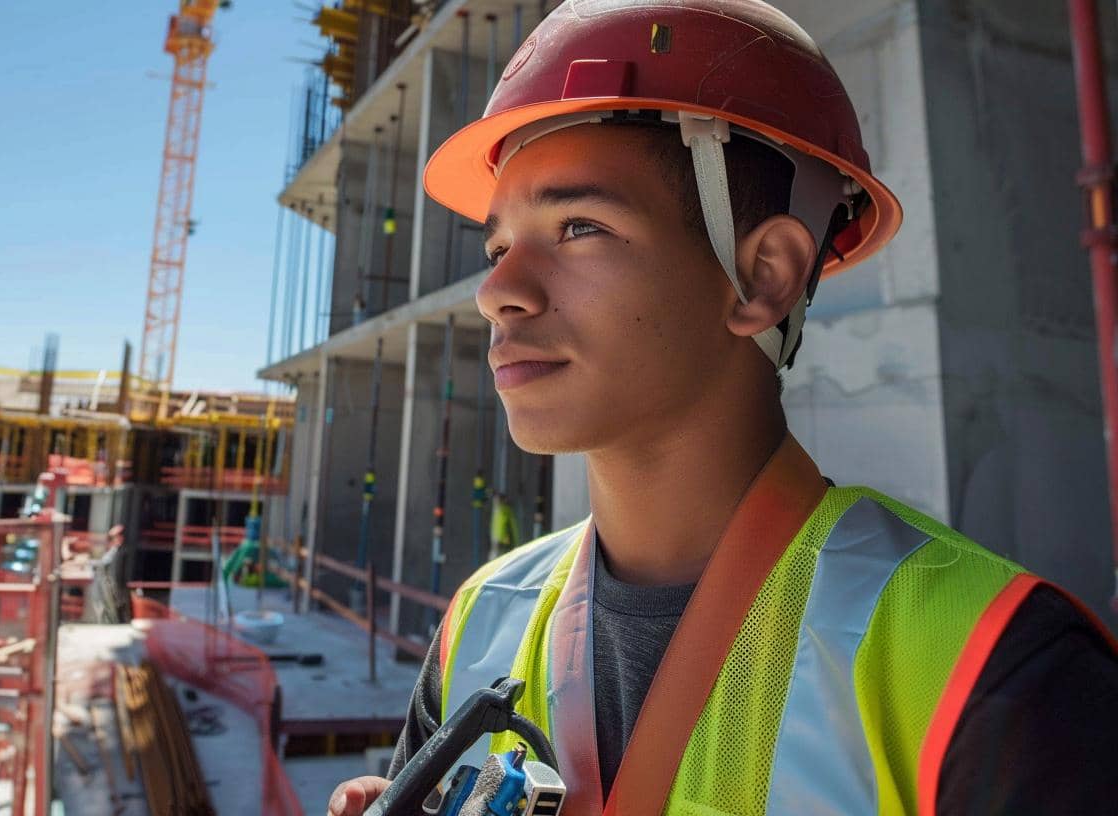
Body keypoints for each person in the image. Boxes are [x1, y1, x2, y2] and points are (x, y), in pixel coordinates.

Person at [327, 1, 1118, 814]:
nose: (498, 293)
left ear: (765, 275)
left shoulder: (997, 672)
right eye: (499, 247)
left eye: (578, 227)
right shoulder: (477, 625)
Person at [488, 490, 521, 559]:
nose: (496, 502)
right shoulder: (499, 510)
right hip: (498, 541)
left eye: (498, 500)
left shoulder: (504, 511)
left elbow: (512, 527)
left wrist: (515, 542)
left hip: (502, 541)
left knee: (499, 560)